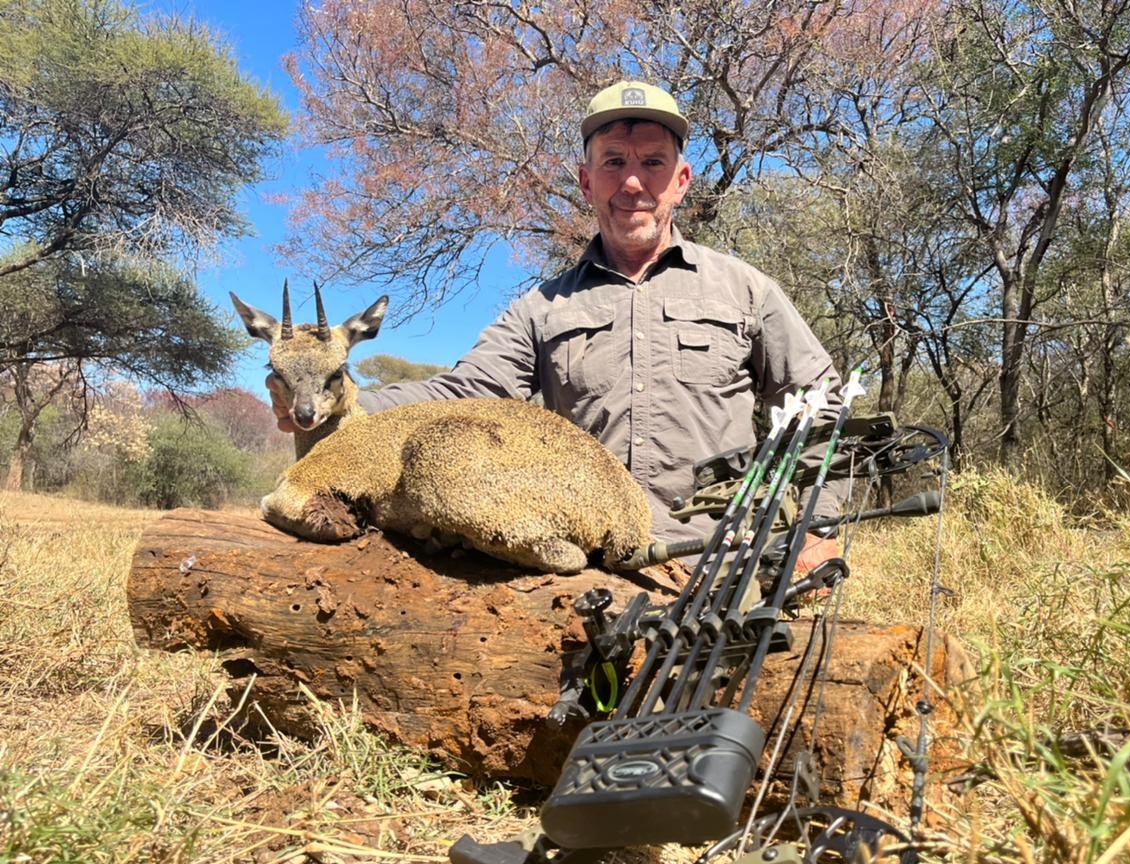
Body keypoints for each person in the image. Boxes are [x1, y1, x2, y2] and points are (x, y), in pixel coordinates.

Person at [270, 80, 844, 569]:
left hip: (722, 560)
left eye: (653, 162)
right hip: (589, 562)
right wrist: (337, 399)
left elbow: (822, 402)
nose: (633, 182)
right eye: (613, 162)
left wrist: (817, 528)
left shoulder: (745, 290)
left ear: (682, 179)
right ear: (585, 180)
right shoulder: (540, 309)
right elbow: (465, 392)